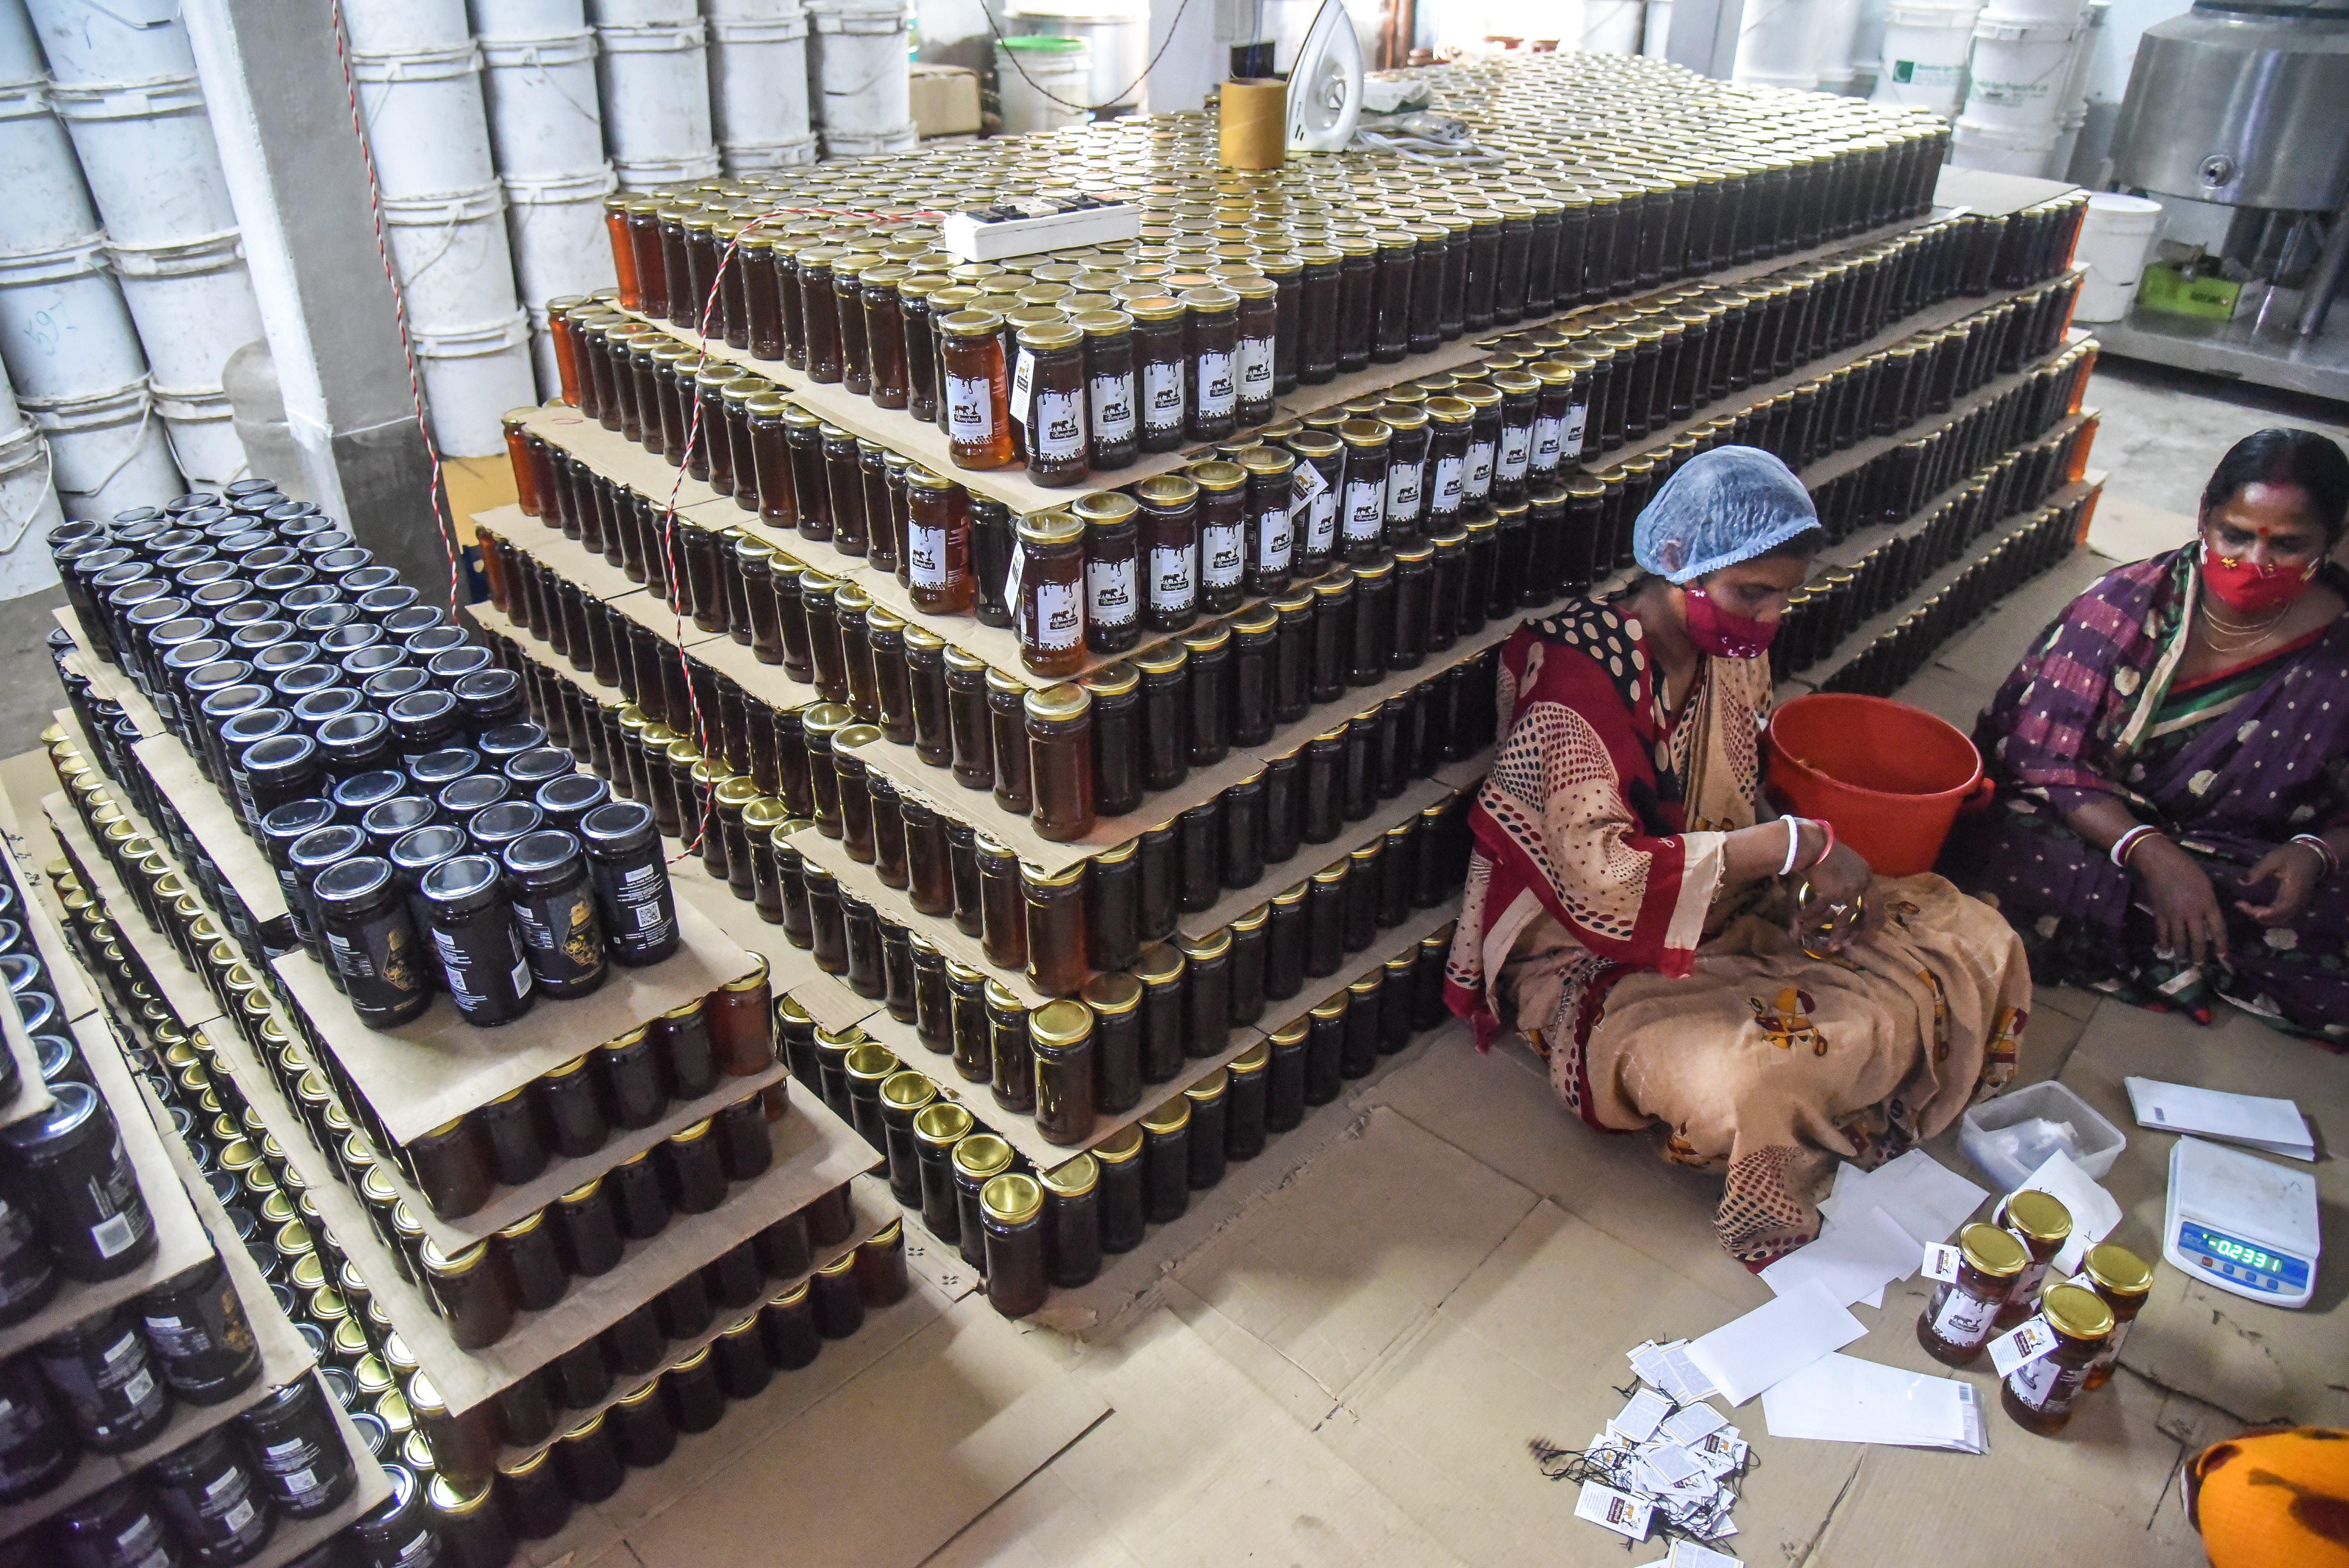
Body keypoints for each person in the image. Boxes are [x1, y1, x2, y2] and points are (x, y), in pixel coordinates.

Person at [1445, 445, 2030, 1266]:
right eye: (1748, 592)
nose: (1765, 618)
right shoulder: (1578, 686)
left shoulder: (1729, 658)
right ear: (1677, 565)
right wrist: (1788, 844)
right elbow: (1605, 884)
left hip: (1720, 903)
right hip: (1584, 952)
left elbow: (1735, 784)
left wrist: (1791, 864)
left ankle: (1826, 1053)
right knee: (1749, 1085)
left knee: (1972, 935)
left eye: (1783, 596)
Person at [1960, 428, 2349, 1042]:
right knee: (1993, 833)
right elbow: (2042, 753)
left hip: (2244, 855)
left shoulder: (2340, 649)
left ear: (2332, 541)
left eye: (2289, 545)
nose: (2254, 564)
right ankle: (2186, 940)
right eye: (2237, 535)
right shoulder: (2129, 603)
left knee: (2314, 907)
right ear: (2205, 516)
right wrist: (2153, 854)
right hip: (2101, 831)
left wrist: (2317, 853)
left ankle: (2154, 937)